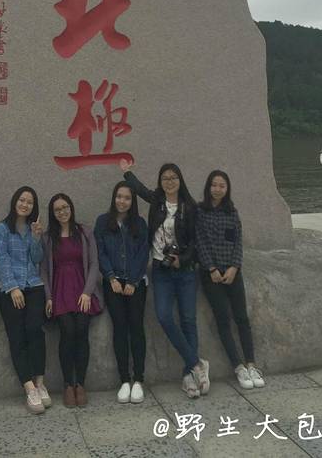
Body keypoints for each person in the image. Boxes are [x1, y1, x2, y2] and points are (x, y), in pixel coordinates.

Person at [120, 158, 210, 399]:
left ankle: (188, 376)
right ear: (160, 182)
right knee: (164, 316)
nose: (169, 182)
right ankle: (196, 363)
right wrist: (127, 173)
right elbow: (140, 191)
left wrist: (184, 259)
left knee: (188, 320)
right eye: (165, 178)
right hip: (161, 270)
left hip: (185, 271)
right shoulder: (157, 202)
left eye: (173, 178)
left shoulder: (190, 207)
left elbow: (197, 242)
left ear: (180, 180)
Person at [196, 170, 265, 390]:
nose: (217, 189)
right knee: (223, 319)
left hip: (233, 272)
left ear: (227, 189)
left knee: (242, 318)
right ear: (208, 187)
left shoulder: (231, 212)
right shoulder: (200, 212)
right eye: (214, 185)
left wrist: (235, 267)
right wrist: (211, 268)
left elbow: (237, 242)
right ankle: (238, 366)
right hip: (211, 275)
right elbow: (200, 243)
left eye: (222, 186)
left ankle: (251, 364)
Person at [0, 186, 50, 414]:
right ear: (14, 201)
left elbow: (37, 258)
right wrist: (12, 287)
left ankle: (40, 382)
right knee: (17, 336)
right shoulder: (2, 229)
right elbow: (1, 259)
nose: (25, 205)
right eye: (22, 200)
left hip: (34, 285)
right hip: (10, 289)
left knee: (35, 330)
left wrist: (36, 238)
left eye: (29, 202)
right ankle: (29, 388)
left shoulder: (32, 228)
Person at [42, 193, 102, 407]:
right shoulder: (48, 238)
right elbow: (44, 270)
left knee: (81, 330)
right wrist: (48, 297)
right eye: (57, 209)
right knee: (67, 331)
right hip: (59, 291)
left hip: (82, 289)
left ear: (71, 208)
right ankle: (68, 384)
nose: (62, 212)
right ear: (52, 213)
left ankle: (80, 384)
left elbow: (94, 263)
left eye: (65, 207)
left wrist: (88, 292)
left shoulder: (85, 232)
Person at [94, 180, 149, 404]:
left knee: (136, 327)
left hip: (136, 284)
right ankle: (124, 379)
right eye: (119, 197)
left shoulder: (139, 223)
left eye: (127, 198)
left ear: (132, 201)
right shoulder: (102, 222)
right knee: (119, 328)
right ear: (113, 198)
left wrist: (133, 281)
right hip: (113, 283)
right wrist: (110, 277)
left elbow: (143, 253)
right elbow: (100, 251)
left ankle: (139, 380)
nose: (122, 201)